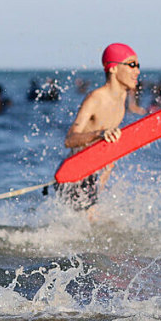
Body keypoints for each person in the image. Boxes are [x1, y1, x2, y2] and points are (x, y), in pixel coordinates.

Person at [53, 43, 141, 212]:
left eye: (138, 66)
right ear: (113, 68)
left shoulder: (121, 99)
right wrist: (100, 134)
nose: (137, 71)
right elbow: (69, 139)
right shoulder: (96, 98)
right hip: (74, 176)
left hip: (94, 177)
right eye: (131, 65)